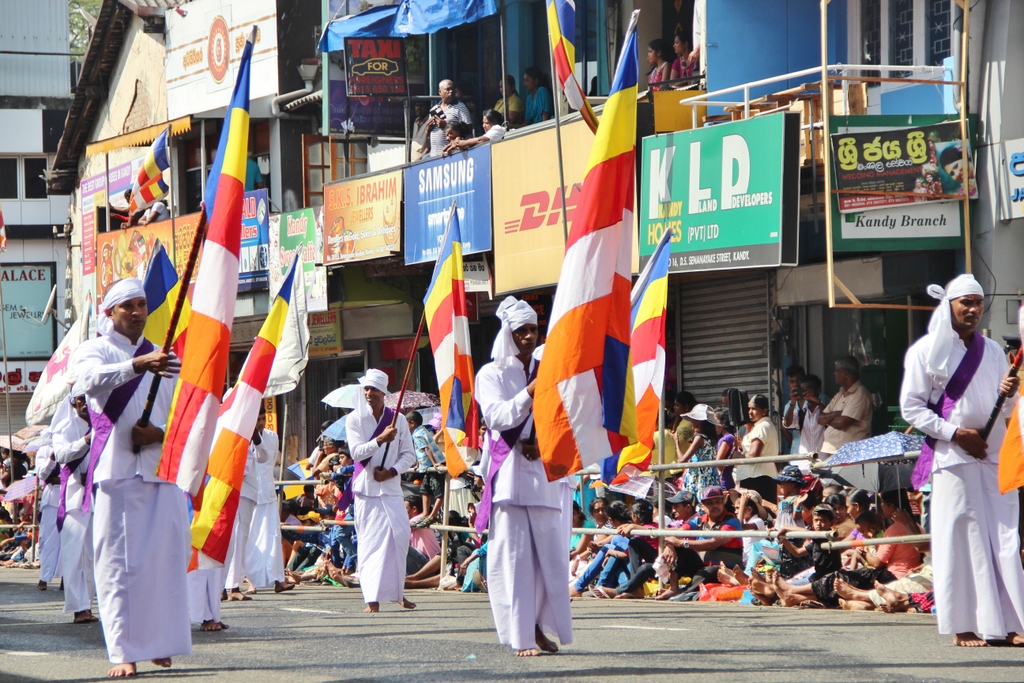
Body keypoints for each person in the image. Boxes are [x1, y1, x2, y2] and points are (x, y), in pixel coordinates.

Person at [900, 273, 1024, 647]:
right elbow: (911, 408)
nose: (972, 309)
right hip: (953, 457)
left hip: (993, 453)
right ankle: (964, 625)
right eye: (965, 302)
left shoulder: (991, 351)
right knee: (962, 539)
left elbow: (1008, 409)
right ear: (949, 306)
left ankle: (1012, 621)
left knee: (1004, 537)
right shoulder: (925, 350)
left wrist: (1011, 391)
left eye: (977, 303)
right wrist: (956, 434)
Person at [76, 278, 190, 676]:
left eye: (142, 304)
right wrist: (137, 364)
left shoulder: (166, 357)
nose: (138, 311)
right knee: (118, 566)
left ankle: (158, 642)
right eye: (128, 306)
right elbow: (89, 382)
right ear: (110, 312)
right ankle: (123, 650)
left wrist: (158, 432)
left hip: (161, 470)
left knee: (164, 562)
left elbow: (181, 415)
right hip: (116, 471)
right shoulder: (94, 349)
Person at [476, 296, 572, 656]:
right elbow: (498, 418)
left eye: (533, 330)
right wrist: (530, 392)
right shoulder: (491, 374)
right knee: (515, 559)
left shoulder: (550, 366)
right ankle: (521, 635)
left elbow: (564, 415)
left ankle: (540, 626)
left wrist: (544, 444)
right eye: (521, 331)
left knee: (550, 558)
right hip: (511, 475)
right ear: (508, 333)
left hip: (544, 472)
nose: (529, 336)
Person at [345, 368, 418, 613]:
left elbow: (410, 454)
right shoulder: (354, 419)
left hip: (391, 488)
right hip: (366, 490)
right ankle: (371, 599)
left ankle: (398, 592)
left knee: (399, 537)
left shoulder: (397, 419)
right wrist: (379, 440)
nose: (369, 393)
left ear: (383, 393)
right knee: (370, 543)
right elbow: (356, 453)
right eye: (366, 388)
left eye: (374, 389)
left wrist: (393, 471)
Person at [52, 389, 98, 624]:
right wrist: (87, 440)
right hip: (76, 498)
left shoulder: (106, 423)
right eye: (78, 400)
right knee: (76, 554)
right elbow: (61, 454)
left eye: (85, 399)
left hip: (100, 497)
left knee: (93, 555)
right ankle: (79, 608)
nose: (82, 404)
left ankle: (88, 604)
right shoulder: (66, 428)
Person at [224, 404, 274, 600]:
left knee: (239, 540)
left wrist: (255, 436)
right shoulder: (233, 432)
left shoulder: (252, 437)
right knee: (232, 540)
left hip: (248, 494)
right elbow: (240, 468)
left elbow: (263, 458)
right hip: (235, 492)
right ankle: (231, 587)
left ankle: (230, 585)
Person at [244, 404, 289, 594]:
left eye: (263, 418)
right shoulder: (244, 436)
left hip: (268, 492)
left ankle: (278, 579)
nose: (260, 423)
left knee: (273, 536)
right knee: (250, 539)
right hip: (250, 493)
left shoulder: (272, 436)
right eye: (257, 419)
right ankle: (250, 580)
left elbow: (269, 462)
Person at [818, 357, 873, 456]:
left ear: (846, 374)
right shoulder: (840, 393)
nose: (834, 374)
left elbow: (842, 423)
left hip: (850, 453)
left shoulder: (859, 395)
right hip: (834, 451)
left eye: (837, 371)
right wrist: (836, 414)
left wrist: (829, 418)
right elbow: (820, 419)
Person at [736, 394, 779, 502]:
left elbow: (753, 455)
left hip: (757, 477)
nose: (750, 412)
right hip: (760, 475)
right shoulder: (763, 425)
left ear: (764, 411)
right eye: (749, 408)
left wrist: (736, 456)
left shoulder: (762, 427)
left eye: (754, 408)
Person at [407, 410, 445, 526]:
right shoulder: (423, 431)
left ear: (412, 423)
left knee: (439, 493)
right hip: (425, 466)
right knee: (424, 490)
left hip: (431, 465)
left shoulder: (418, 435)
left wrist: (434, 463)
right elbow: (419, 452)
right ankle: (425, 513)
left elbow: (427, 449)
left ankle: (432, 515)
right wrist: (418, 465)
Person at [34, 445, 61, 591]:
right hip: (52, 499)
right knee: (47, 539)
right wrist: (52, 458)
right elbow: (43, 474)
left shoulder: (77, 443)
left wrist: (59, 479)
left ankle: (66, 578)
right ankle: (44, 577)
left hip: (74, 494)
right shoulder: (44, 450)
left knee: (71, 539)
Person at [428, 79, 473, 158]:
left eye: (452, 89)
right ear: (440, 92)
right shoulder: (434, 109)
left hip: (451, 154)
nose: (451, 92)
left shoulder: (460, 107)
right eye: (448, 89)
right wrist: (428, 128)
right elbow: (428, 136)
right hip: (434, 155)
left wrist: (446, 125)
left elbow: (468, 129)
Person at [796, 375, 827, 457]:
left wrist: (818, 402)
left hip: (823, 458)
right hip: (805, 459)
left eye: (809, 389)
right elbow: (787, 425)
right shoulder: (801, 411)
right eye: (803, 390)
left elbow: (829, 417)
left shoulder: (824, 407)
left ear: (818, 390)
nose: (806, 392)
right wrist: (793, 403)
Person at [780, 365, 806, 455]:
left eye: (798, 380)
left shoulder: (820, 399)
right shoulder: (789, 405)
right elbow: (787, 425)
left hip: (816, 453)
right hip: (796, 454)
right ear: (788, 384)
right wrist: (793, 402)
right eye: (792, 382)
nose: (795, 384)